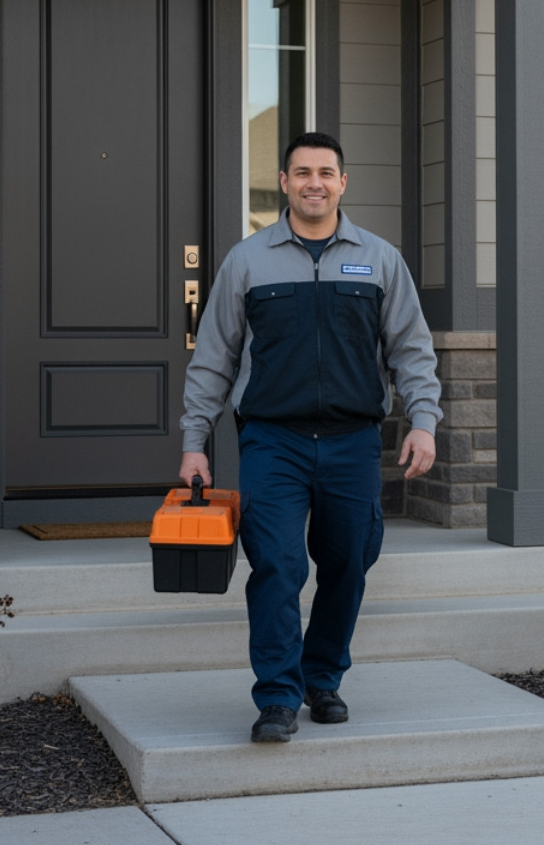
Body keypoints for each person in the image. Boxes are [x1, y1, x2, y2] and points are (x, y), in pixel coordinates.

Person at [179, 131, 442, 744]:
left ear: (343, 183)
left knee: (349, 563)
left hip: (352, 441)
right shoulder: (248, 261)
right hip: (274, 441)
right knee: (276, 564)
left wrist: (423, 421)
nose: (314, 182)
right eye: (302, 172)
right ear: (285, 182)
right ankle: (276, 696)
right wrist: (196, 441)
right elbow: (213, 359)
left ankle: (321, 679)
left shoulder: (379, 259)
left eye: (326, 172)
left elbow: (411, 349)